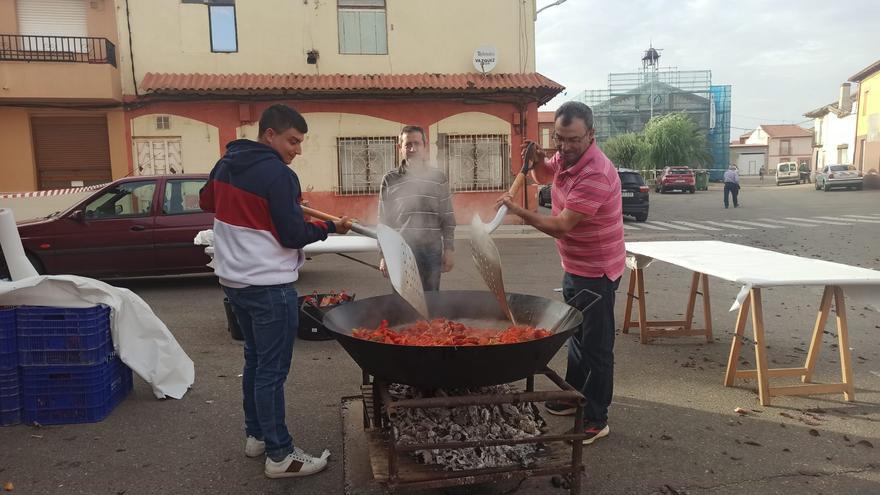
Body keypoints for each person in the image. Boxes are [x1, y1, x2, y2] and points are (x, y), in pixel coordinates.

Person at [199, 104, 351, 479]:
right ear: (270, 135)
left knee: (254, 362)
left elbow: (207, 202)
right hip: (269, 286)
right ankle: (281, 455)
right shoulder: (279, 175)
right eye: (293, 141)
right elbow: (293, 235)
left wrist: (278, 209)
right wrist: (331, 229)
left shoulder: (227, 163)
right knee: (271, 371)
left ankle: (257, 436)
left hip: (235, 283)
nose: (297, 150)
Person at [496, 101, 625, 445]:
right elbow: (543, 175)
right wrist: (537, 160)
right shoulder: (566, 158)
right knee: (577, 335)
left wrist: (518, 211)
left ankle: (597, 417)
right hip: (575, 267)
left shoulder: (595, 172)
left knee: (597, 347)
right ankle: (574, 397)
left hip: (597, 271)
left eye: (573, 140)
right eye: (559, 138)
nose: (564, 147)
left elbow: (561, 226)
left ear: (591, 135)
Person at [378, 125, 456, 291]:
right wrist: (384, 255)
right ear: (400, 148)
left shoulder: (438, 178)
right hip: (400, 252)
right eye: (407, 145)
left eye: (417, 143)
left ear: (424, 146)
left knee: (431, 303)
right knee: (402, 303)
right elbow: (384, 221)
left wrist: (449, 249)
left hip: (431, 251)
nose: (412, 148)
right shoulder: (390, 179)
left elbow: (447, 217)